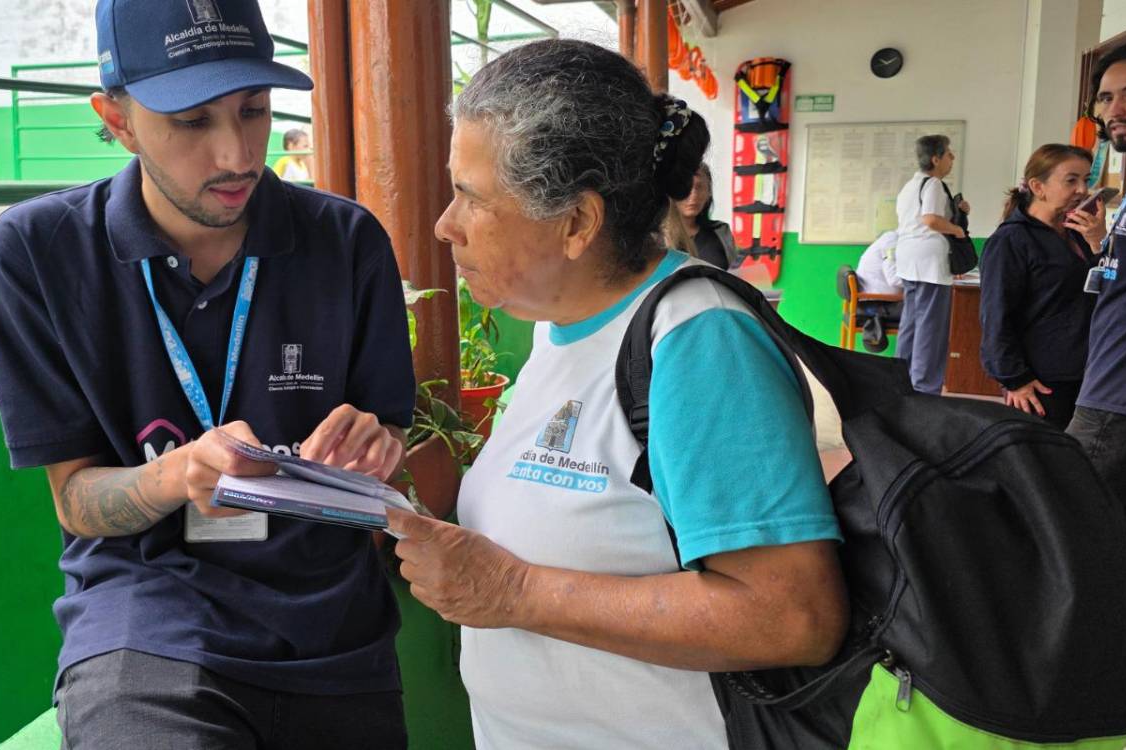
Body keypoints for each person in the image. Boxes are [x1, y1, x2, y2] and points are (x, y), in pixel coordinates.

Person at [0, 0, 415, 746]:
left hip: (334, 628)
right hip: (150, 622)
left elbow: (390, 432)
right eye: (191, 121)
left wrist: (374, 451)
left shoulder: (348, 241)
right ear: (115, 118)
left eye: (253, 110)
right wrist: (182, 475)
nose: (238, 154)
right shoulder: (35, 254)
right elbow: (77, 503)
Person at [386, 39, 846, 748]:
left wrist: (513, 593)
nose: (445, 225)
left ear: (576, 223)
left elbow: (792, 616)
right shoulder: (557, 330)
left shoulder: (696, 340)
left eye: (470, 198)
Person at [1067, 40, 1126, 747]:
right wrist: (1104, 247)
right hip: (1113, 393)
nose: (1114, 110)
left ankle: (1084, 698)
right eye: (1106, 96)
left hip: (1125, 406)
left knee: (1071, 540)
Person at [979, 144, 1104, 429]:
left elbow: (1102, 288)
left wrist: (1099, 243)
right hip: (1040, 379)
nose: (1082, 190)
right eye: (1071, 180)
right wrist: (1015, 379)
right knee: (1045, 463)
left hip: (1085, 369)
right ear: (1038, 186)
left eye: (1086, 180)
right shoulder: (1011, 240)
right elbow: (995, 316)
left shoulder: (1078, 233)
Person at [894, 134, 971, 394]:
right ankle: (926, 388)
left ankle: (901, 380)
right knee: (931, 328)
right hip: (929, 263)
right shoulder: (935, 185)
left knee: (911, 323)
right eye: (949, 153)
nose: (952, 158)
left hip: (908, 260)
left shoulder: (910, 186)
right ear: (936, 158)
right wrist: (957, 230)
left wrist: (959, 211)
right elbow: (930, 220)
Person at [674, 162, 738, 269]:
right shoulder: (657, 239)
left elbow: (736, 275)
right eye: (686, 187)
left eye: (699, 187)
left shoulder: (721, 232)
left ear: (709, 193)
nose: (693, 195)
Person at [855, 230, 901, 295]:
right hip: (877, 297)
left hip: (872, 291)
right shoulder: (892, 240)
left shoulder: (891, 237)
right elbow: (894, 279)